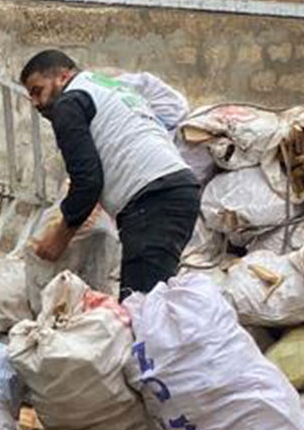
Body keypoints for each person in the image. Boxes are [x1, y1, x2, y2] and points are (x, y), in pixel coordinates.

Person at [21, 50, 201, 295]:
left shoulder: (70, 101)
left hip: (153, 199)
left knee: (141, 306)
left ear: (63, 76)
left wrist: (61, 235)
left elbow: (87, 180)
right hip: (177, 190)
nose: (35, 103)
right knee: (154, 300)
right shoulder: (107, 88)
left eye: (37, 90)